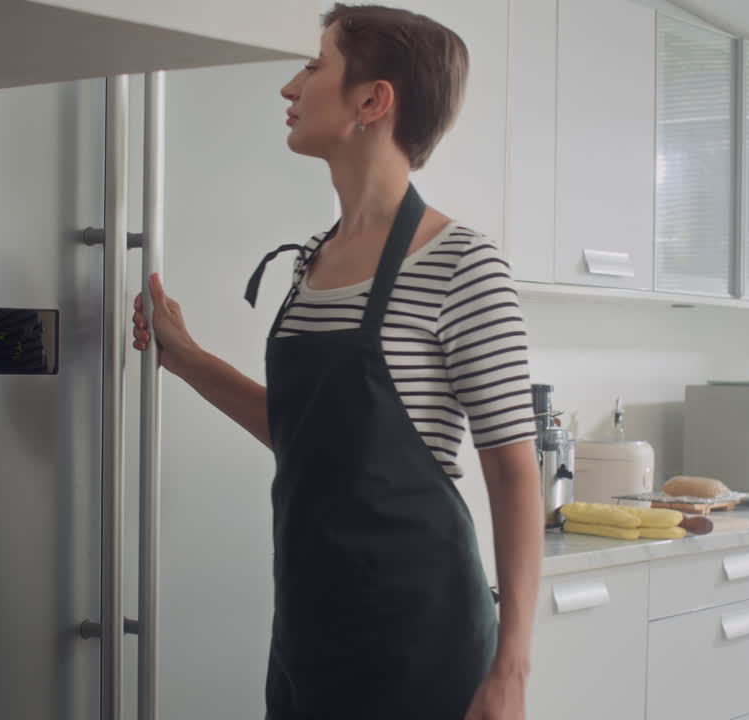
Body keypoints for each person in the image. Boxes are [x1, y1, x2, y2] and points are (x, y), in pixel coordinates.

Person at [132, 4, 542, 718]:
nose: (289, 89)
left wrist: (510, 673)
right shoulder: (312, 262)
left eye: (314, 66)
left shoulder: (462, 264)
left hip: (423, 643)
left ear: (373, 101)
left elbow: (513, 474)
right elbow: (305, 429)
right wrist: (185, 356)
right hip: (308, 634)